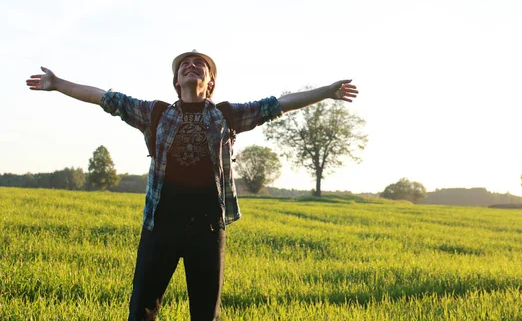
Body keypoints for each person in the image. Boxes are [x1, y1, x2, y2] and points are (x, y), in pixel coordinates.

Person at [26, 50, 359, 321]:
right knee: (141, 311)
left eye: (200, 64)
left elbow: (279, 103)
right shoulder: (153, 113)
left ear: (209, 82)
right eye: (184, 64)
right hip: (160, 227)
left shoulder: (226, 116)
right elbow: (105, 98)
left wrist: (327, 93)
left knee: (204, 315)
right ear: (176, 81)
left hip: (208, 229)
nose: (192, 65)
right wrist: (57, 84)